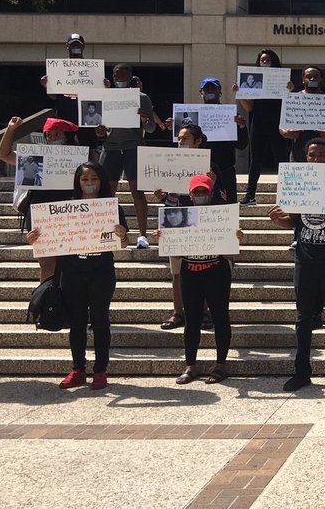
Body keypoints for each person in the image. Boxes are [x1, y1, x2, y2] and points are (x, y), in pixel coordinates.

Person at [27, 162, 129, 390]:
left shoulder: (111, 208)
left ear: (101, 181)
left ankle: (101, 370)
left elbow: (124, 243)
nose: (90, 183)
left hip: (101, 272)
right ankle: (78, 369)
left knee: (101, 321)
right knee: (77, 322)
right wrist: (36, 239)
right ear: (78, 182)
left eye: (94, 179)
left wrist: (122, 235)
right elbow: (50, 241)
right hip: (72, 273)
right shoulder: (66, 208)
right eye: (85, 179)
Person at [270, 139, 325, 391]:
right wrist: (278, 220)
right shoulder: (299, 183)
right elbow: (294, 222)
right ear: (306, 158)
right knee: (303, 317)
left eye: (320, 155)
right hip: (305, 260)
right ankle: (301, 371)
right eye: (311, 155)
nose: (316, 159)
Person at [171, 174, 243, 385]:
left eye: (204, 191)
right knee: (191, 319)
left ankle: (220, 365)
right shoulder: (180, 218)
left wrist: (236, 239)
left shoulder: (222, 217)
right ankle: (190, 365)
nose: (201, 195)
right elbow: (175, 255)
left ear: (211, 193)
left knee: (220, 317)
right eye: (197, 192)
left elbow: (230, 255)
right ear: (190, 195)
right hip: (190, 272)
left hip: (216, 272)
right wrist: (165, 239)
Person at [155, 123, 227, 332]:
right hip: (178, 222)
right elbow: (171, 199)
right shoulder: (171, 165)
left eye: (185, 139)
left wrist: (211, 183)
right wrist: (162, 197)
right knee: (177, 272)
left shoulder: (211, 167)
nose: (181, 142)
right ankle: (178, 313)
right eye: (179, 139)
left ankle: (203, 312)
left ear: (198, 141)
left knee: (202, 269)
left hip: (203, 224)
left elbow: (221, 199)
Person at [0, 116, 81, 283]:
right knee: (47, 263)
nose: (53, 138)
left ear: (67, 136)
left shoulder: (79, 157)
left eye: (58, 134)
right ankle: (47, 300)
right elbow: (4, 154)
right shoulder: (36, 156)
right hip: (40, 211)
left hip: (69, 210)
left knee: (68, 262)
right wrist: (11, 129)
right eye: (49, 135)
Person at [97, 63, 156, 249]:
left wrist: (144, 118)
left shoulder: (142, 98)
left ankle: (143, 235)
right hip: (110, 147)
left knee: (137, 192)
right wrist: (99, 132)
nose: (120, 77)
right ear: (112, 76)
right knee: (107, 193)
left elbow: (151, 128)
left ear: (131, 76)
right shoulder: (105, 97)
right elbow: (99, 128)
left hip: (134, 146)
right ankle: (106, 232)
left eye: (123, 74)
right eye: (116, 74)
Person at [240, 49, 292, 206]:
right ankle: (250, 195)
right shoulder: (255, 83)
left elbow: (290, 104)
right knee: (255, 161)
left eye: (268, 60)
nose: (265, 62)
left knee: (282, 160)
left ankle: (287, 195)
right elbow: (249, 108)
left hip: (278, 125)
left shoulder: (282, 80)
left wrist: (290, 91)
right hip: (259, 125)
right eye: (262, 60)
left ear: (274, 61)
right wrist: (240, 94)